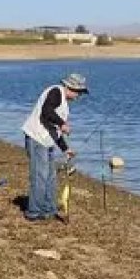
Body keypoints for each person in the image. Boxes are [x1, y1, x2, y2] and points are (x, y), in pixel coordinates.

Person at [21, 73, 88, 221]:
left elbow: (55, 131)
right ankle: (34, 212)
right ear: (71, 88)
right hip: (36, 138)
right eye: (79, 92)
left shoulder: (64, 105)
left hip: (48, 141)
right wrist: (62, 123)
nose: (79, 96)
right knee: (40, 176)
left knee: (51, 177)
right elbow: (46, 112)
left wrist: (66, 149)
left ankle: (49, 209)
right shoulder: (56, 92)